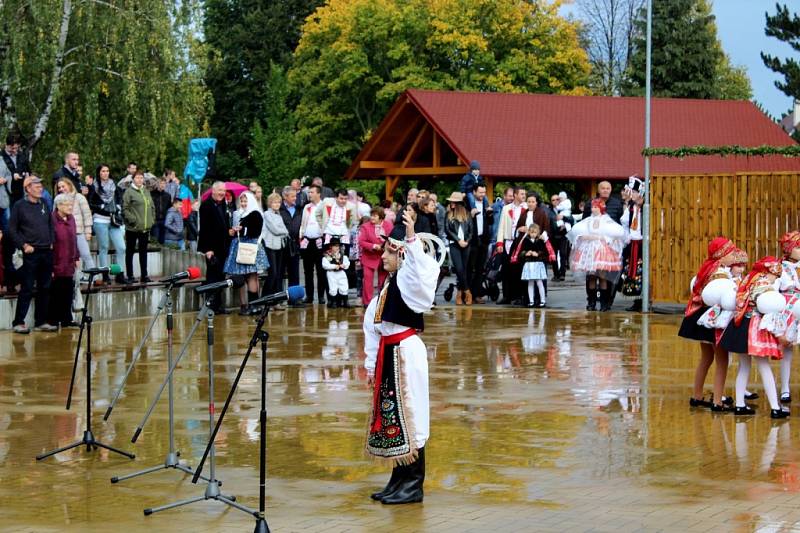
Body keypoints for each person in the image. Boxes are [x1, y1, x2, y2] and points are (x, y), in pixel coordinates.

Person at [363, 210, 438, 505]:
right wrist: (371, 364)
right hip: (390, 352)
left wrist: (410, 239)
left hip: (406, 351)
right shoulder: (389, 286)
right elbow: (372, 325)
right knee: (394, 414)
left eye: (387, 253)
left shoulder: (408, 282)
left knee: (412, 414)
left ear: (400, 254)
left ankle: (414, 484)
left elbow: (423, 272)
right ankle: (400, 477)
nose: (382, 258)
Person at [720, 257, 789, 418]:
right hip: (755, 326)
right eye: (775, 275)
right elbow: (768, 308)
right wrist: (780, 334)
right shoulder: (763, 283)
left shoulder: (748, 279)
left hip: (740, 324)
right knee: (764, 365)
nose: (776, 280)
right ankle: (775, 408)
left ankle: (739, 405)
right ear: (770, 271)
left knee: (744, 366)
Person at [678, 237, 737, 411]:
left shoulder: (707, 267)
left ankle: (697, 395)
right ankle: (717, 401)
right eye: (730, 252)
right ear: (721, 255)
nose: (734, 255)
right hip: (713, 319)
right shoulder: (720, 273)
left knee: (706, 358)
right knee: (722, 359)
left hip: (700, 316)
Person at [8, 175, 56, 333]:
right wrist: (23, 245)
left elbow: (50, 224)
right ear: (28, 188)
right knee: (27, 287)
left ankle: (41, 321)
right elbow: (12, 230)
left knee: (45, 287)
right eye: (36, 185)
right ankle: (18, 322)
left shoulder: (43, 203)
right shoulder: (19, 206)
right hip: (30, 252)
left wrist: (51, 241)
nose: (40, 188)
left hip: (46, 251)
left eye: (41, 185)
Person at [567, 199, 625, 311]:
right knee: (591, 276)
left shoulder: (607, 220)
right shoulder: (588, 220)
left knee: (602, 276)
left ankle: (604, 303)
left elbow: (617, 232)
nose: (593, 209)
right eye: (593, 207)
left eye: (596, 207)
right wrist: (583, 237)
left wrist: (602, 238)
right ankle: (591, 302)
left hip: (601, 250)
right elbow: (577, 231)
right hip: (589, 250)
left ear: (601, 208)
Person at [224, 191, 268, 315]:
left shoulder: (255, 214)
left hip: (249, 247)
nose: (243, 204)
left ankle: (254, 305)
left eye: (245, 201)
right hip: (241, 246)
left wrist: (241, 230)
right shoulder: (241, 214)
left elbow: (254, 232)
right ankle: (246, 305)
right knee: (242, 276)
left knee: (252, 276)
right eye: (241, 201)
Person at [87, 164, 126, 284]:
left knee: (121, 247)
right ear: (99, 173)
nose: (106, 173)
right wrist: (101, 206)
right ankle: (105, 275)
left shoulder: (114, 185)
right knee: (103, 247)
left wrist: (118, 206)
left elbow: (119, 198)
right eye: (103, 171)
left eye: (107, 171)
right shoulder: (94, 186)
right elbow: (90, 202)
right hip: (100, 220)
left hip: (114, 220)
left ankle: (120, 274)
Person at [198, 181, 234, 313]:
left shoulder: (223, 204)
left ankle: (218, 305)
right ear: (213, 191)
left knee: (220, 277)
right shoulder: (206, 206)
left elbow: (223, 224)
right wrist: (208, 250)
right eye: (220, 190)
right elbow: (205, 229)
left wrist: (229, 231)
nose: (222, 193)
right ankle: (210, 305)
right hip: (212, 248)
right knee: (212, 277)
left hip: (223, 247)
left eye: (223, 191)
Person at [54, 177, 96, 278]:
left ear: (69, 185)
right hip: (64, 234)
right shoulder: (57, 200)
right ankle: (77, 277)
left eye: (63, 186)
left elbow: (87, 215)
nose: (61, 189)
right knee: (71, 256)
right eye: (59, 187)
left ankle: (93, 277)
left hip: (79, 232)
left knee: (85, 254)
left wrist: (88, 231)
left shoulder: (79, 197)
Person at [49, 194, 80, 329]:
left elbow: (74, 239)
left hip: (69, 261)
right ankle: (53, 319)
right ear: (59, 205)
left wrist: (77, 256)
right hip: (56, 260)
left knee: (68, 290)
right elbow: (51, 242)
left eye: (71, 204)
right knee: (56, 291)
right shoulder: (51, 219)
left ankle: (67, 319)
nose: (70, 207)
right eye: (67, 204)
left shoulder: (71, 218)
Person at [776, 231, 800, 403]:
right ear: (788, 249)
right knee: (787, 348)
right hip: (788, 310)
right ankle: (784, 388)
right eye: (797, 247)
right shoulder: (779, 268)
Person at [122, 171, 154, 283]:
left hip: (145, 228)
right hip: (133, 228)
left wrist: (152, 219)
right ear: (133, 179)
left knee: (143, 252)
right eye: (138, 178)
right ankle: (130, 276)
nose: (140, 180)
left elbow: (152, 206)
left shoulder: (146, 191)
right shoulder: (129, 192)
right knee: (130, 252)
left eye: (141, 178)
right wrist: (133, 220)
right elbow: (124, 208)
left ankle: (144, 276)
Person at [496, 187, 526, 304]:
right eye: (522, 194)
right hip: (508, 241)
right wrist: (499, 242)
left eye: (524, 194)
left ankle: (518, 296)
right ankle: (506, 296)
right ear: (515, 195)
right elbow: (501, 226)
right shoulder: (506, 208)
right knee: (506, 269)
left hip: (520, 242)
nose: (524, 196)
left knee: (518, 269)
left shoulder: (526, 208)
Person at [358, 206, 392, 306]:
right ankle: (367, 303)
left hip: (384, 256)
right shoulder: (365, 226)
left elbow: (392, 237)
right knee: (368, 281)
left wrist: (386, 246)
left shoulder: (388, 225)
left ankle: (382, 301)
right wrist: (373, 246)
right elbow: (361, 241)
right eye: (371, 215)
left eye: (375, 216)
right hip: (369, 256)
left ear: (381, 217)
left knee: (383, 280)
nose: (372, 218)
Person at [620, 177, 645, 311]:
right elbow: (624, 223)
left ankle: (644, 300)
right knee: (632, 270)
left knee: (643, 271)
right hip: (632, 243)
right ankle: (636, 299)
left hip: (644, 245)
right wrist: (626, 237)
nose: (632, 195)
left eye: (634, 192)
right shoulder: (630, 208)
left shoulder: (647, 207)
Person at [299, 184, 326, 304]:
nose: (309, 194)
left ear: (318, 193)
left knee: (321, 270)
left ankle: (321, 295)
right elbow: (303, 223)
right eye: (309, 192)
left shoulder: (324, 206)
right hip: (307, 240)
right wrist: (301, 235)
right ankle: (309, 295)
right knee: (307, 270)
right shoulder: (307, 207)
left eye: (312, 192)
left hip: (320, 240)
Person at [445, 192, 473, 305]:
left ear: (459, 203)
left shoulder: (467, 214)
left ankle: (459, 293)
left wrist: (466, 241)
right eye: (451, 201)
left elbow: (471, 230)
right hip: (454, 244)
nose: (451, 203)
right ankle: (467, 292)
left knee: (464, 270)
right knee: (459, 269)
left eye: (454, 202)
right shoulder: (448, 214)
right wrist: (458, 240)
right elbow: (448, 230)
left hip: (466, 244)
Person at [262, 192, 289, 297]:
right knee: (272, 274)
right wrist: (284, 231)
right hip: (270, 246)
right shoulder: (267, 214)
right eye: (274, 202)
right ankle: (265, 297)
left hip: (279, 246)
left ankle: (273, 299)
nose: (277, 204)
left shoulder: (278, 215)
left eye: (278, 202)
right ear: (270, 203)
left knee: (278, 274)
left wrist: (283, 231)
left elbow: (283, 229)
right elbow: (276, 230)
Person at [279, 185, 303, 290]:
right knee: (279, 272)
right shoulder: (279, 209)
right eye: (292, 196)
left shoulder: (299, 209)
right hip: (282, 245)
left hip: (295, 245)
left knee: (294, 272)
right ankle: (278, 298)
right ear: (285, 197)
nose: (295, 198)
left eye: (295, 196)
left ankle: (294, 299)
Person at [519, 224, 548, 308]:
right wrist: (526, 253)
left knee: (539, 282)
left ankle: (542, 300)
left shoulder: (540, 241)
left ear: (538, 232)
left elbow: (544, 252)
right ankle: (531, 301)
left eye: (535, 232)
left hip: (537, 264)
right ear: (528, 232)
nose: (533, 234)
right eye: (531, 232)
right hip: (529, 264)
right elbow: (521, 252)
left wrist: (538, 253)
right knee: (530, 282)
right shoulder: (525, 240)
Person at [322, 237, 350, 309]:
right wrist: (334, 266)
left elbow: (347, 263)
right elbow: (325, 265)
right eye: (335, 246)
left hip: (341, 272)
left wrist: (344, 265)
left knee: (343, 285)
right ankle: (333, 301)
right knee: (333, 287)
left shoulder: (342, 255)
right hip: (332, 273)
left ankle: (345, 301)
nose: (337, 248)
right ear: (331, 246)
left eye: (338, 246)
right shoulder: (327, 255)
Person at [149, 177, 172, 244]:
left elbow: (169, 208)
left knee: (162, 240)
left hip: (164, 220)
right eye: (161, 183)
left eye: (164, 183)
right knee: (155, 240)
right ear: (157, 184)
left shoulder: (168, 195)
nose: (162, 185)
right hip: (154, 220)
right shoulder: (151, 194)